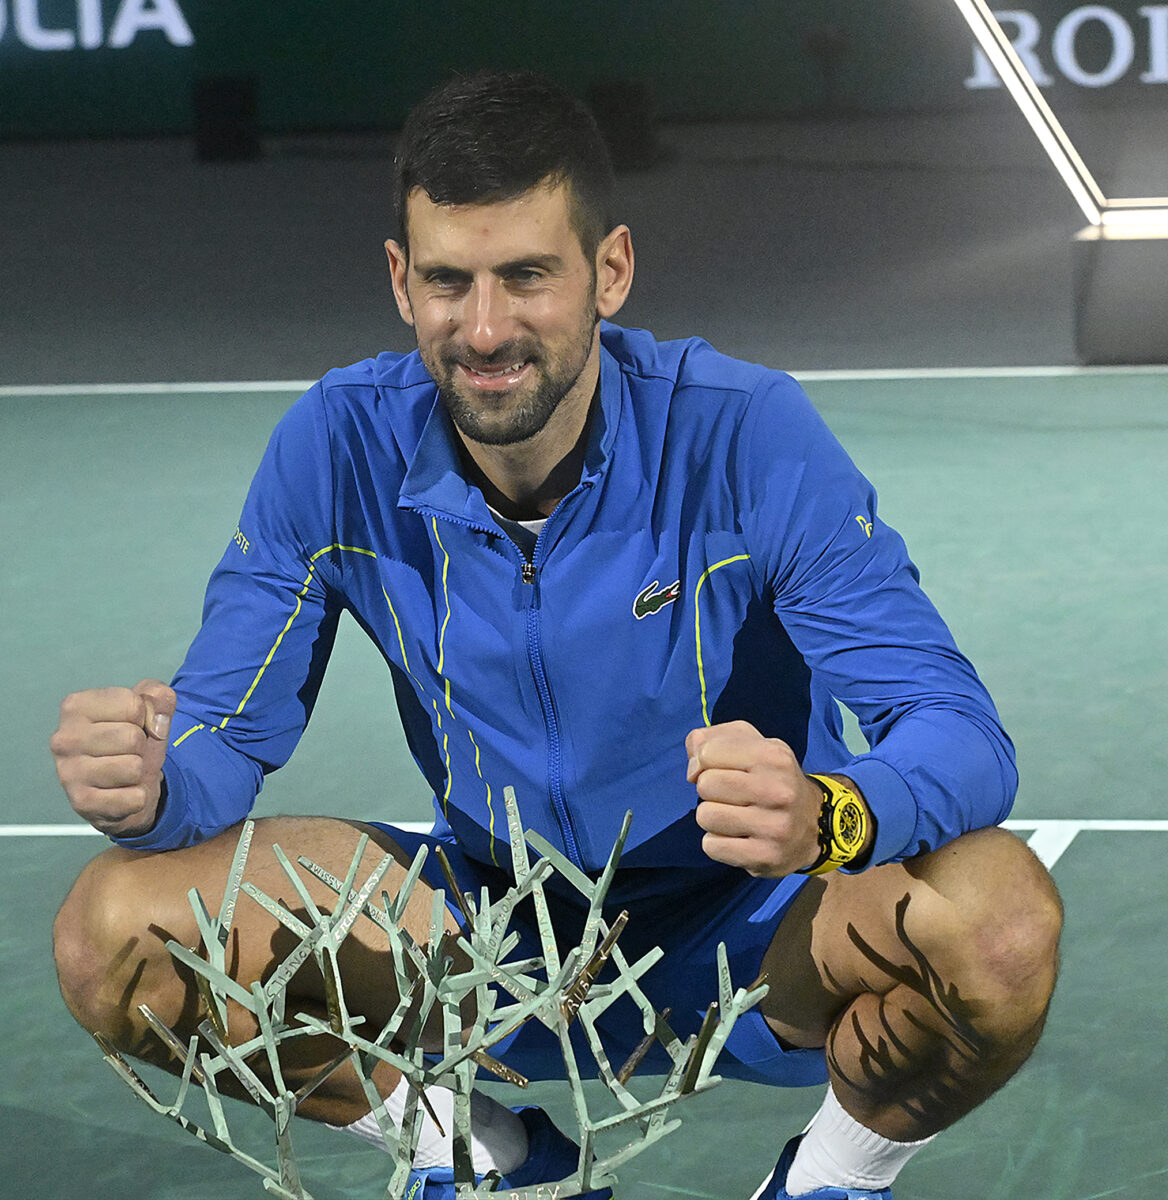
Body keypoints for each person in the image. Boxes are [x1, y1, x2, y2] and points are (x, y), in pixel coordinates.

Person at [50, 70, 1062, 1200]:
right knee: (113, 936)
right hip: (483, 939)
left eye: (527, 275)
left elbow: (958, 730)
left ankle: (828, 1180)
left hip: (751, 932)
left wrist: (829, 815)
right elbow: (222, 740)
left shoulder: (747, 436)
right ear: (401, 281)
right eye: (449, 281)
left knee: (999, 920)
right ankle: (484, 1154)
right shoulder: (334, 447)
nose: (485, 329)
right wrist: (153, 787)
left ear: (609, 272)